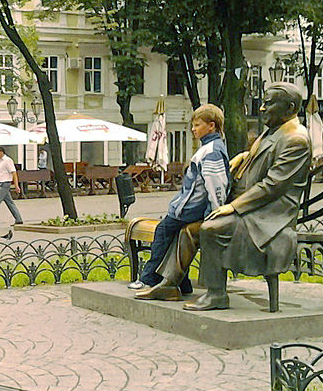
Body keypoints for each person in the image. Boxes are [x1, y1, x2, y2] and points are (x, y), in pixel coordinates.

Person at [184, 83, 311, 311]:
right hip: (254, 205)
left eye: (268, 103)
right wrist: (244, 156)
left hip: (270, 213)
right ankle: (170, 282)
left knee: (211, 228)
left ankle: (216, 294)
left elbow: (272, 186)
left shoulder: (296, 139)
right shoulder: (275, 130)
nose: (261, 108)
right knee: (185, 222)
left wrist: (234, 207)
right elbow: (266, 155)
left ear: (290, 107)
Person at [132, 104, 230, 300]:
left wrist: (215, 213)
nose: (193, 129)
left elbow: (215, 185)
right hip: (191, 208)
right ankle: (182, 283)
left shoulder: (211, 151)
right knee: (175, 236)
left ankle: (149, 278)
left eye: (197, 125)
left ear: (211, 126)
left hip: (191, 209)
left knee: (163, 231)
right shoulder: (211, 148)